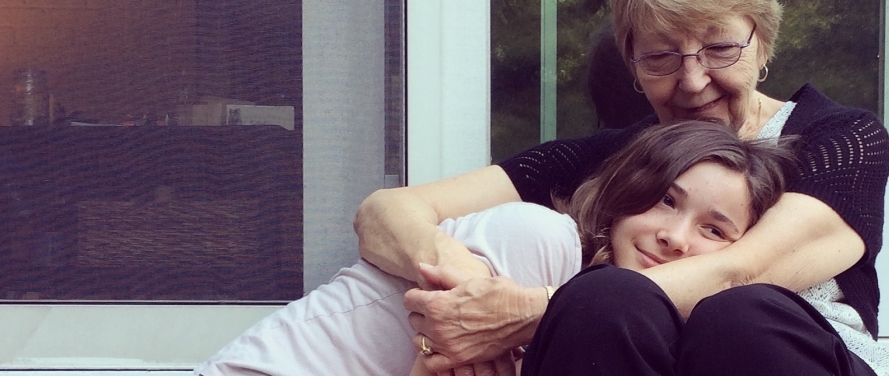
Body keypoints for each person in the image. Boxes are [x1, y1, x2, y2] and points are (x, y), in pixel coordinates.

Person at [357, 0, 889, 374]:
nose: (692, 79)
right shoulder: (622, 155)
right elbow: (385, 212)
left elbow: (742, 271)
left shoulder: (841, 140)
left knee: (739, 317)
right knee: (606, 300)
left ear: (763, 43)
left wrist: (530, 310)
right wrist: (462, 286)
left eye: (720, 48)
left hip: (792, 356)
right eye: (660, 55)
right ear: (632, 64)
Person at [196, 121, 799, 375]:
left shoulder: (644, 327)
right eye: (665, 201)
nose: (675, 235)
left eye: (714, 229)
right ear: (624, 197)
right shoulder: (539, 240)